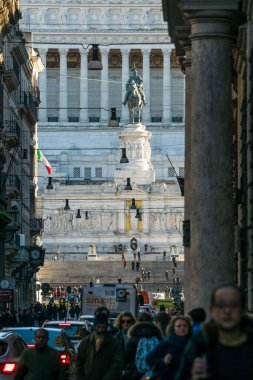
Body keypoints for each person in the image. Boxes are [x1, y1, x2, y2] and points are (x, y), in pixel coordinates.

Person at [175, 284, 253, 380]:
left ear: (243, 310)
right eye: (221, 305)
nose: (227, 311)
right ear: (211, 310)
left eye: (234, 305)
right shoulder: (199, 342)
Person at [74, 313, 124, 380]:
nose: (100, 330)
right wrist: (79, 377)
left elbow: (117, 365)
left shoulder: (114, 343)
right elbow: (79, 362)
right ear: (94, 326)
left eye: (102, 327)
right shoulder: (85, 342)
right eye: (98, 327)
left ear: (106, 327)